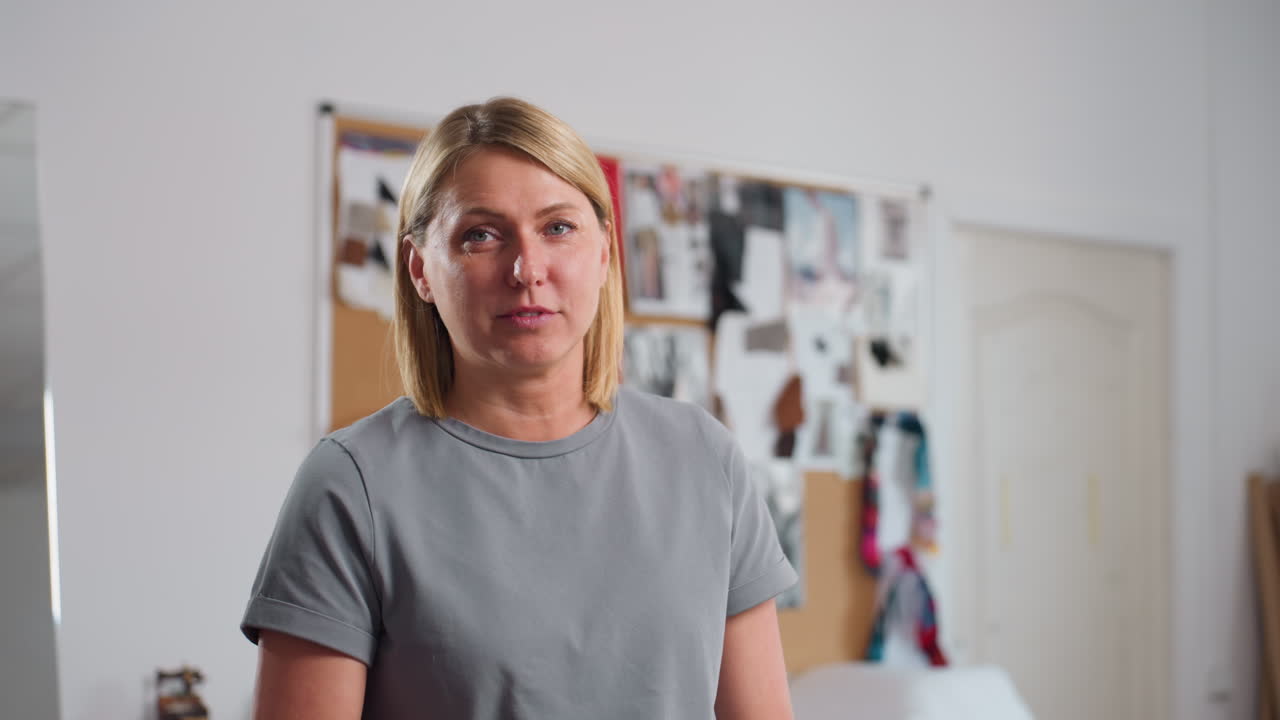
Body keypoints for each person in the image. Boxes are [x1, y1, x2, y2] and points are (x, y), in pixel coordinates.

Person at [242, 97, 797, 719]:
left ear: (606, 253)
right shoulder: (351, 484)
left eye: (558, 228)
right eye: (481, 234)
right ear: (420, 268)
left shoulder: (704, 458)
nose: (526, 269)